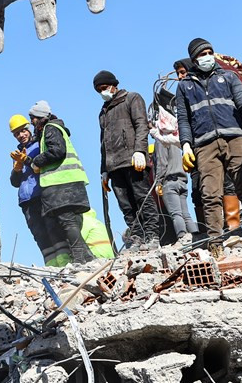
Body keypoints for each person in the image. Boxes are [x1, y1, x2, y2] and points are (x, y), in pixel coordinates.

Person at [176, 38, 242, 256]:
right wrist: (186, 145)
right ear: (194, 59)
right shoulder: (185, 86)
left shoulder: (228, 76)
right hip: (204, 144)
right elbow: (183, 119)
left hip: (234, 138)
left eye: (209, 52)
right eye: (202, 53)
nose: (207, 56)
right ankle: (215, 243)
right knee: (210, 193)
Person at [94, 70, 161, 249]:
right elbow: (104, 143)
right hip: (114, 165)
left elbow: (141, 125)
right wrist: (104, 170)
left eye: (104, 87)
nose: (102, 92)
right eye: (99, 90)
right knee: (126, 205)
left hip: (133, 160)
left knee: (142, 198)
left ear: (114, 85)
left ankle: (153, 236)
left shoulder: (132, 99)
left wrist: (140, 151)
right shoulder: (103, 112)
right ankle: (137, 238)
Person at [29, 101, 94, 264]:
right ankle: (86, 256)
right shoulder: (55, 128)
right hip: (71, 182)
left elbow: (57, 151)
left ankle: (79, 257)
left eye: (33, 118)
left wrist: (37, 161)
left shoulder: (50, 129)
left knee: (67, 221)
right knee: (72, 219)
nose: (31, 122)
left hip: (61, 184)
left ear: (40, 117)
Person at [9, 114, 63, 265]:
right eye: (17, 133)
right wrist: (17, 169)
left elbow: (42, 167)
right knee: (39, 234)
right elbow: (14, 182)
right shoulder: (17, 154)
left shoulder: (39, 145)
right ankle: (51, 265)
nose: (21, 135)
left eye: (23, 131)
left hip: (42, 194)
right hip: (27, 200)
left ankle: (64, 262)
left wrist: (26, 161)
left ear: (29, 129)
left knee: (54, 229)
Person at [151, 88, 198, 245]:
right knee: (186, 214)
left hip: (169, 182)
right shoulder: (178, 137)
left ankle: (182, 240)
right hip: (183, 181)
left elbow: (162, 163)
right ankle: (196, 238)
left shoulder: (162, 140)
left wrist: (158, 182)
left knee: (176, 214)